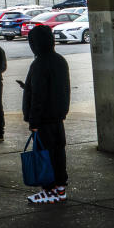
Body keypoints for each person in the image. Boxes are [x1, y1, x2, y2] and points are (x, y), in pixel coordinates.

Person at [22, 25, 70, 204]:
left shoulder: (39, 63)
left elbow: (38, 96)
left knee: (45, 155)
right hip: (57, 118)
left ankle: (48, 191)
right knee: (58, 153)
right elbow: (63, 90)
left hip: (43, 120)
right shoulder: (60, 60)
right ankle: (60, 189)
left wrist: (33, 121)